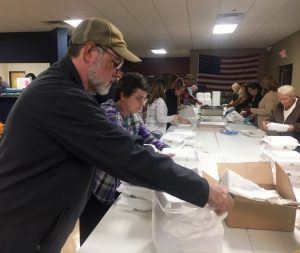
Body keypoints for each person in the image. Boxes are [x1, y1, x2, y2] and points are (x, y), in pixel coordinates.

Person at [0, 17, 233, 253]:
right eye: (114, 64)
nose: (117, 75)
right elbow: (125, 154)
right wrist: (202, 189)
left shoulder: (66, 89)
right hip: (21, 228)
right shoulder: (62, 96)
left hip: (34, 222)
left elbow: (127, 145)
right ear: (90, 51)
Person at [80, 72, 169, 244]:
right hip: (98, 192)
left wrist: (169, 151)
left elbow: (150, 139)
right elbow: (126, 147)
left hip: (119, 188)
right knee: (94, 240)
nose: (142, 104)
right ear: (123, 95)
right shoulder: (108, 113)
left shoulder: (134, 117)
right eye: (139, 98)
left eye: (144, 99)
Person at [261, 85, 300, 149]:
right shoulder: (279, 106)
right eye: (280, 98)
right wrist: (267, 121)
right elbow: (272, 117)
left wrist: (294, 127)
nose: (282, 101)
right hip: (282, 142)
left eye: (285, 99)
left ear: (293, 97)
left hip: (297, 144)